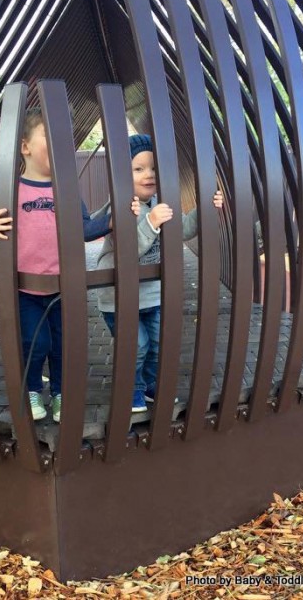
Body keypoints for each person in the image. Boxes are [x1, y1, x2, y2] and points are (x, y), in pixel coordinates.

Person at [0, 108, 111, 423]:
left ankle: (62, 394)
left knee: (63, 344)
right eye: (50, 137)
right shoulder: (9, 193)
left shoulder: (67, 193)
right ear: (25, 147)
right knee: (36, 343)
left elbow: (84, 229)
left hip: (63, 287)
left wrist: (111, 221)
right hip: (25, 289)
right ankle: (33, 389)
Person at [96, 134, 223, 412]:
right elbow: (129, 252)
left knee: (156, 342)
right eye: (138, 169)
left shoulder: (158, 205)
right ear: (120, 174)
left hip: (152, 294)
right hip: (119, 297)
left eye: (153, 167)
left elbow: (184, 229)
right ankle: (132, 390)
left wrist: (206, 209)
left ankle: (150, 384)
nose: (148, 175)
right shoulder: (119, 208)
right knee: (136, 345)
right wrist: (151, 224)